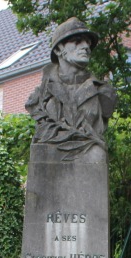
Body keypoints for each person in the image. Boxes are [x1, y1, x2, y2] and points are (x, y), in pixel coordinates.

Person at [25, 17, 117, 160]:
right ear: (58, 49)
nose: (86, 46)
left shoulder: (104, 93)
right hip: (48, 157)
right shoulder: (39, 96)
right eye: (77, 41)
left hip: (90, 157)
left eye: (88, 42)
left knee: (96, 154)